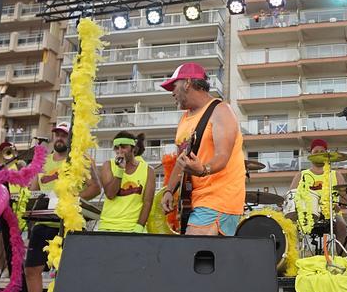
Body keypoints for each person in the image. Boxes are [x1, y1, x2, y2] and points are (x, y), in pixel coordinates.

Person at [23, 123, 98, 292]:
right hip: (43, 222)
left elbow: (94, 187)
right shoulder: (42, 162)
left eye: (63, 135)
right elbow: (34, 190)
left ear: (71, 138)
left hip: (68, 222)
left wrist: (72, 200)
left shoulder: (79, 160)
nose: (59, 138)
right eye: (56, 134)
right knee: (31, 269)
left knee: (67, 271)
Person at [159, 63, 246, 235]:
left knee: (193, 255)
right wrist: (170, 191)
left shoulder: (221, 110)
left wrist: (203, 169)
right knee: (199, 258)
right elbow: (181, 162)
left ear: (188, 83)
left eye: (174, 86)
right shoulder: (185, 119)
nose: (172, 93)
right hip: (195, 201)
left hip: (218, 198)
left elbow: (223, 155)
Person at [287, 139, 347, 243]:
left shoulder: (336, 175)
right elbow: (291, 196)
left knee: (342, 226)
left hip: (332, 213)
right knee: (290, 227)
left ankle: (339, 256)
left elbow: (345, 198)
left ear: (327, 155)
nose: (319, 154)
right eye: (316, 152)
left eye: (322, 152)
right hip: (306, 213)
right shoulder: (301, 175)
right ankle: (296, 257)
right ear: (311, 155)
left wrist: (338, 205)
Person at [93, 132, 157, 232]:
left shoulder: (148, 170)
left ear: (133, 148)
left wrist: (139, 227)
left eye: (123, 147)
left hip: (133, 227)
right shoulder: (108, 165)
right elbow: (110, 194)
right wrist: (120, 170)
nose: (119, 151)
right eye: (116, 148)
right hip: (108, 226)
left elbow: (148, 202)